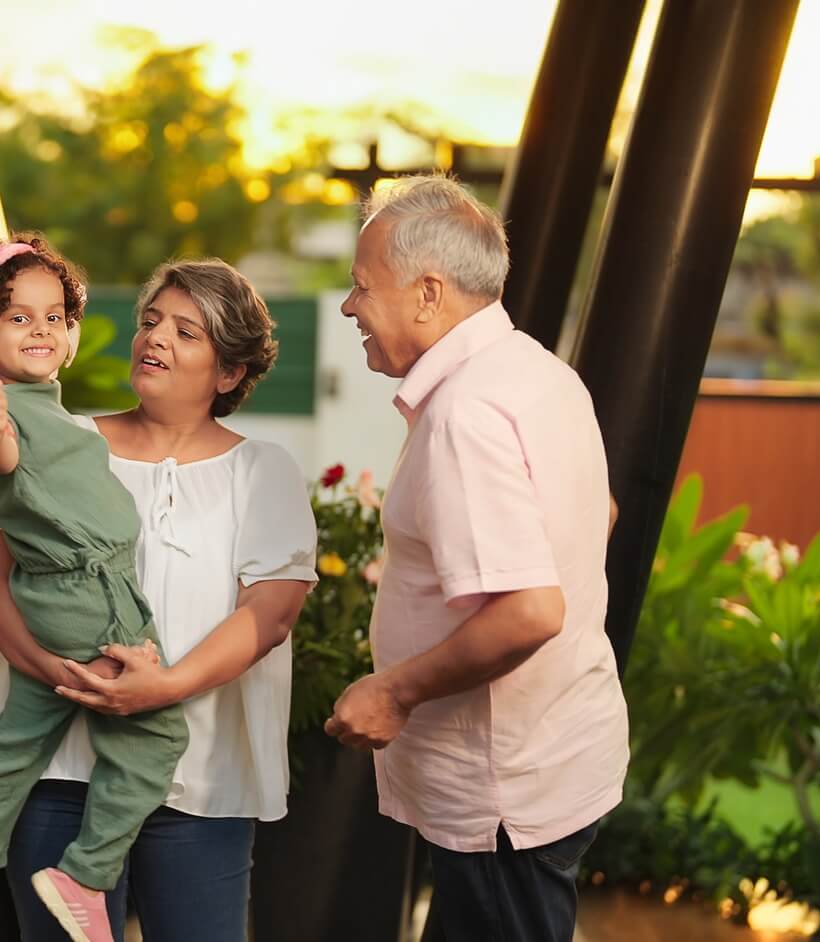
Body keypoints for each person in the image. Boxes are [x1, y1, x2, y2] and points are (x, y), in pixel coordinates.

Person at [0, 258, 318, 942]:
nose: (155, 339)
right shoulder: (54, 439)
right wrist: (67, 681)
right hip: (59, 773)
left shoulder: (264, 471)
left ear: (228, 373)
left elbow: (270, 614)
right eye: (151, 322)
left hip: (200, 785)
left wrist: (162, 688)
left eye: (186, 332)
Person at [324, 174, 627, 942]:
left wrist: (393, 693)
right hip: (548, 762)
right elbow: (600, 514)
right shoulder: (540, 373)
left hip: (505, 794)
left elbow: (530, 611)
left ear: (427, 294)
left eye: (363, 287)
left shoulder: (466, 412)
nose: (348, 307)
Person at [0, 232, 187, 942]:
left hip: (53, 601)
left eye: (54, 315)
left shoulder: (45, 404)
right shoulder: (2, 411)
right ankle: (86, 877)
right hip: (90, 599)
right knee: (154, 737)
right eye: (17, 317)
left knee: (13, 745)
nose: (41, 329)